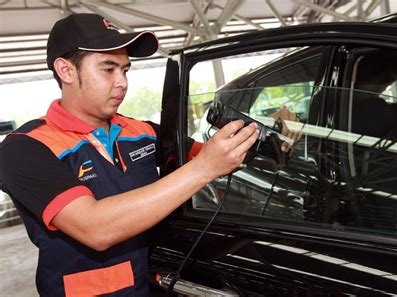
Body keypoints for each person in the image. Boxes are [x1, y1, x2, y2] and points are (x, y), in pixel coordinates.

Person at [0, 14, 258, 296]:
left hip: (152, 284)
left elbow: (220, 155)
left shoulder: (142, 131)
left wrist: (267, 142)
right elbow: (95, 228)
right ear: (66, 70)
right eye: (108, 70)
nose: (122, 82)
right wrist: (204, 169)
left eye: (125, 70)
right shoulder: (26, 147)